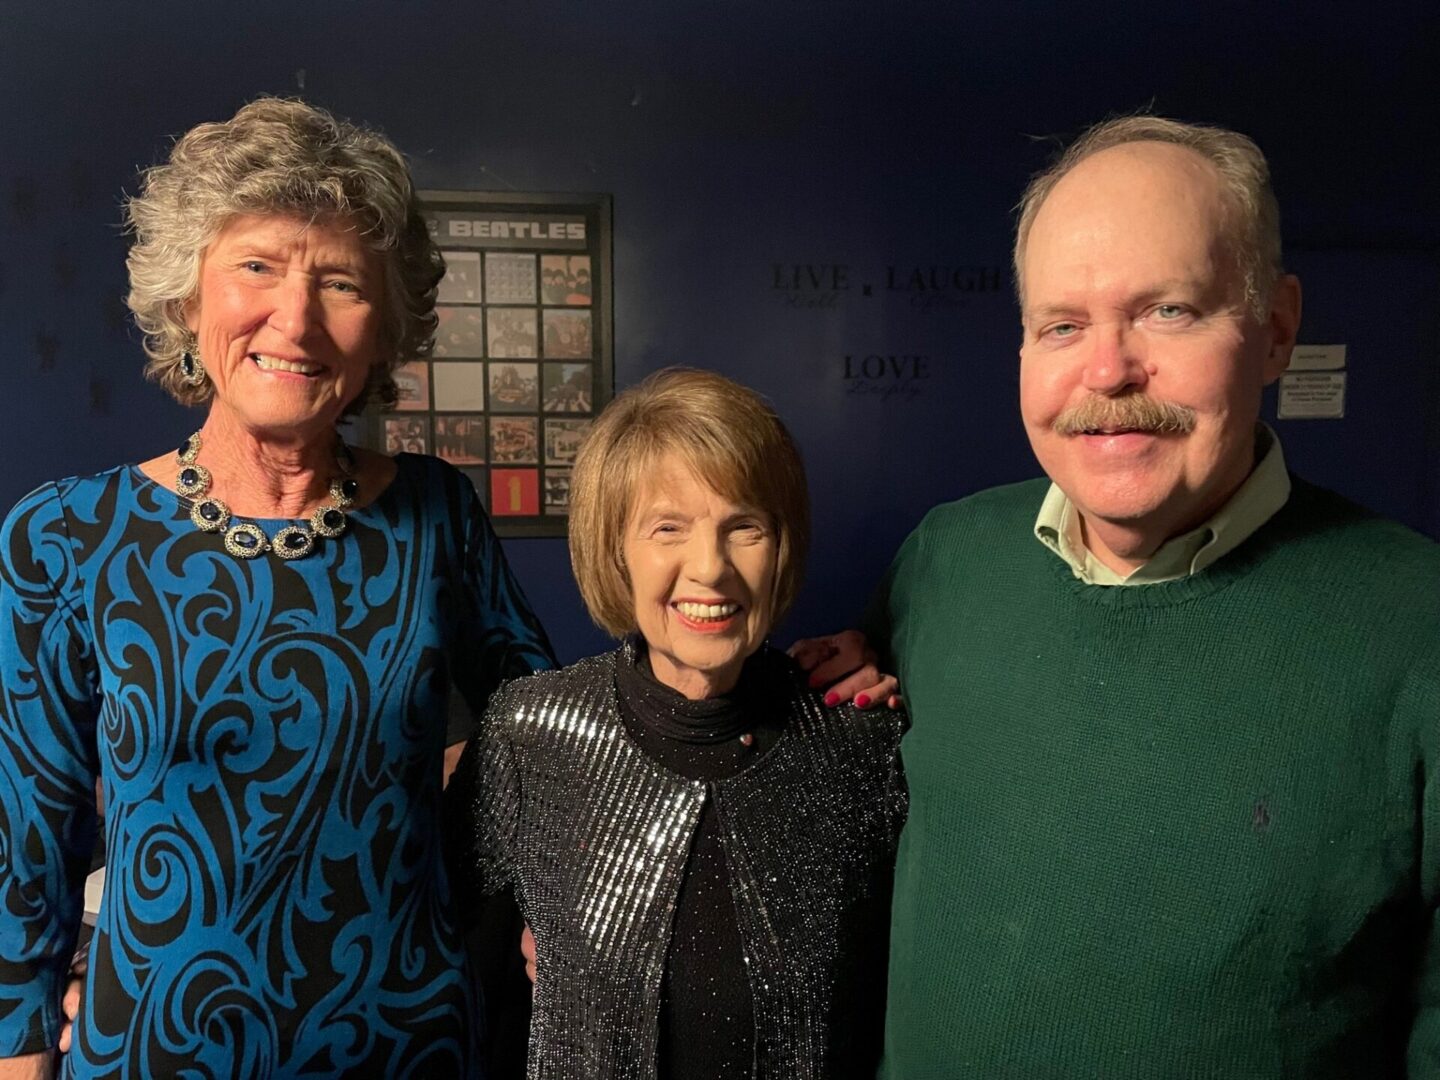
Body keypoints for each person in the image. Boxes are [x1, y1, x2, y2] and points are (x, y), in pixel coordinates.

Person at [798, 115, 1440, 1077]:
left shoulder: (1418, 623)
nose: (1106, 372)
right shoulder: (946, 559)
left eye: (1168, 311)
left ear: (1276, 328)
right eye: (1062, 326)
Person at [0, 97, 552, 1078]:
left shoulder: (438, 516)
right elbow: (24, 850)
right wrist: (20, 1053)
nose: (292, 320)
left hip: (409, 1051)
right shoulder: (65, 537)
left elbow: (552, 738)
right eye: (256, 265)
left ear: (386, 328)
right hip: (152, 1057)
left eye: (338, 280)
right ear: (187, 298)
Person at [446, 368, 907, 1079]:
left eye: (744, 526)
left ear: (781, 544)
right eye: (668, 528)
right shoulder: (529, 734)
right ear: (616, 550)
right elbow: (454, 970)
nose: (710, 567)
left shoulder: (858, 744)